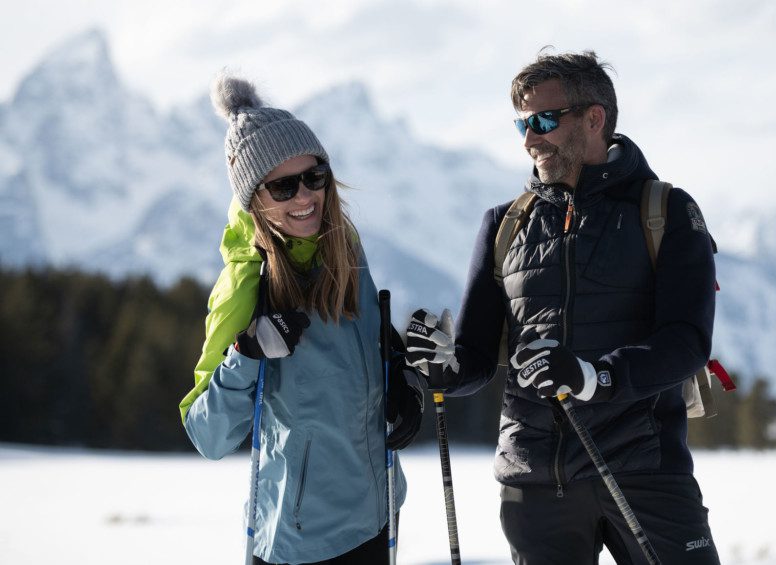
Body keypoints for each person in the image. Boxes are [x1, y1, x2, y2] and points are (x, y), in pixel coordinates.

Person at [406, 50, 721, 564]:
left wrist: (594, 376)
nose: (530, 139)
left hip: (643, 470)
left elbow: (686, 342)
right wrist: (440, 367)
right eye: (523, 124)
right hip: (533, 481)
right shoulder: (504, 223)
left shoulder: (666, 211)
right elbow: (475, 357)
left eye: (544, 121)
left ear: (593, 118)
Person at [178, 74, 423, 565]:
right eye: (284, 186)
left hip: (377, 513)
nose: (305, 197)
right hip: (301, 538)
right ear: (254, 199)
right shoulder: (247, 284)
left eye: (315, 177)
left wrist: (398, 383)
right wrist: (246, 353)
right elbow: (206, 434)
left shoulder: (344, 247)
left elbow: (363, 350)